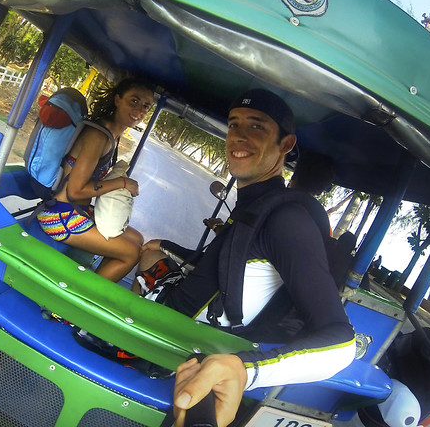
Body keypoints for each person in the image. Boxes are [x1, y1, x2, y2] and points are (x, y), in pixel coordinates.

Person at [134, 89, 356, 426]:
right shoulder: (251, 205)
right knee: (149, 254)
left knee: (142, 260)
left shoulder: (287, 221)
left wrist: (245, 369)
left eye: (257, 127)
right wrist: (164, 244)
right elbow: (219, 270)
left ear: (285, 145)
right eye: (234, 124)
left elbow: (341, 343)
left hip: (179, 346)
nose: (238, 135)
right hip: (172, 309)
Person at [37, 78, 154, 282]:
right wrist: (123, 184)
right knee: (131, 253)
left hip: (79, 212)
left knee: (137, 239)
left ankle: (87, 278)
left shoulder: (113, 136)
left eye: (146, 106)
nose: (139, 110)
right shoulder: (98, 136)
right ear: (118, 100)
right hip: (60, 216)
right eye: (133, 101)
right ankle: (76, 303)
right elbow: (75, 191)